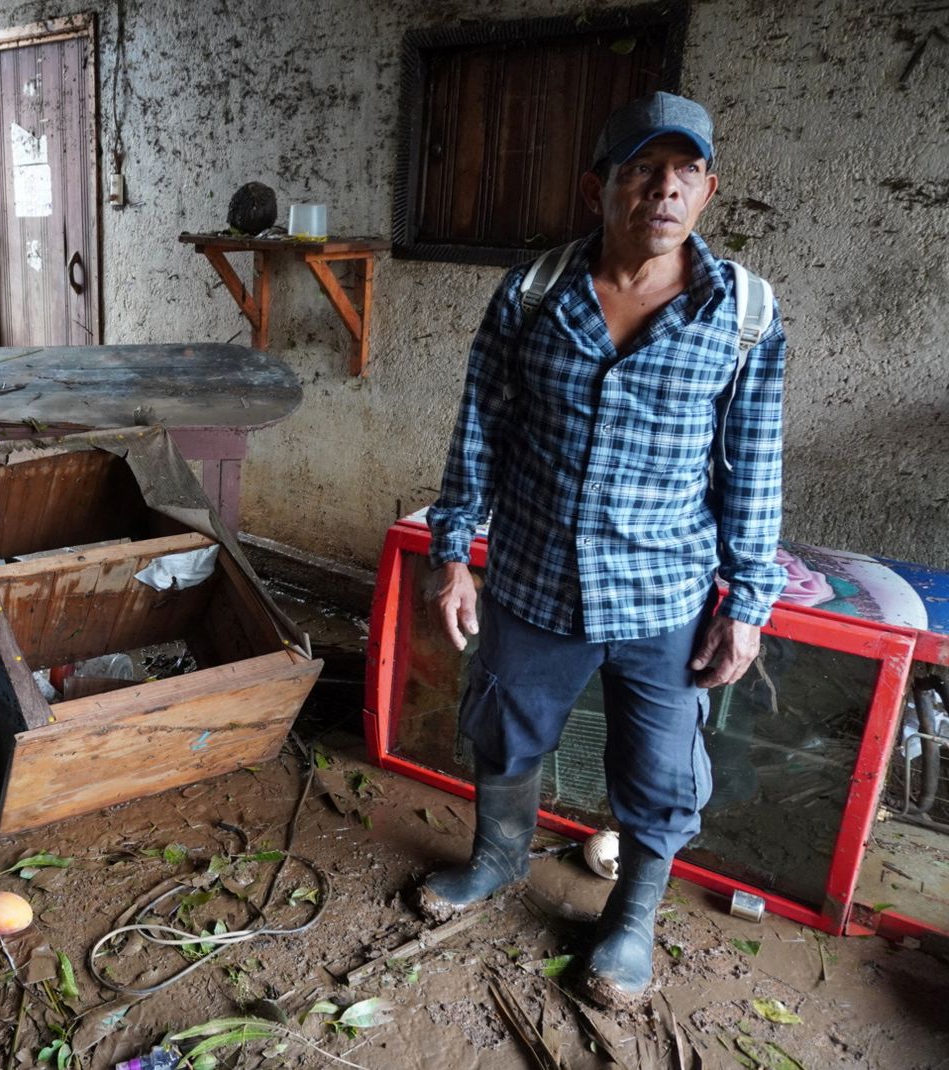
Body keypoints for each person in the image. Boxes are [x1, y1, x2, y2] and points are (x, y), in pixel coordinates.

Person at [419, 91, 786, 1009]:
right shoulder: (533, 293)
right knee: (503, 729)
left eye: (685, 173)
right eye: (641, 171)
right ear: (600, 188)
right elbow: (481, 430)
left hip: (666, 595)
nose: (663, 190)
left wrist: (748, 603)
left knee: (661, 771)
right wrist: (452, 550)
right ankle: (499, 861)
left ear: (708, 191)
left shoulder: (741, 313)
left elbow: (755, 467)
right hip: (536, 580)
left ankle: (629, 920)